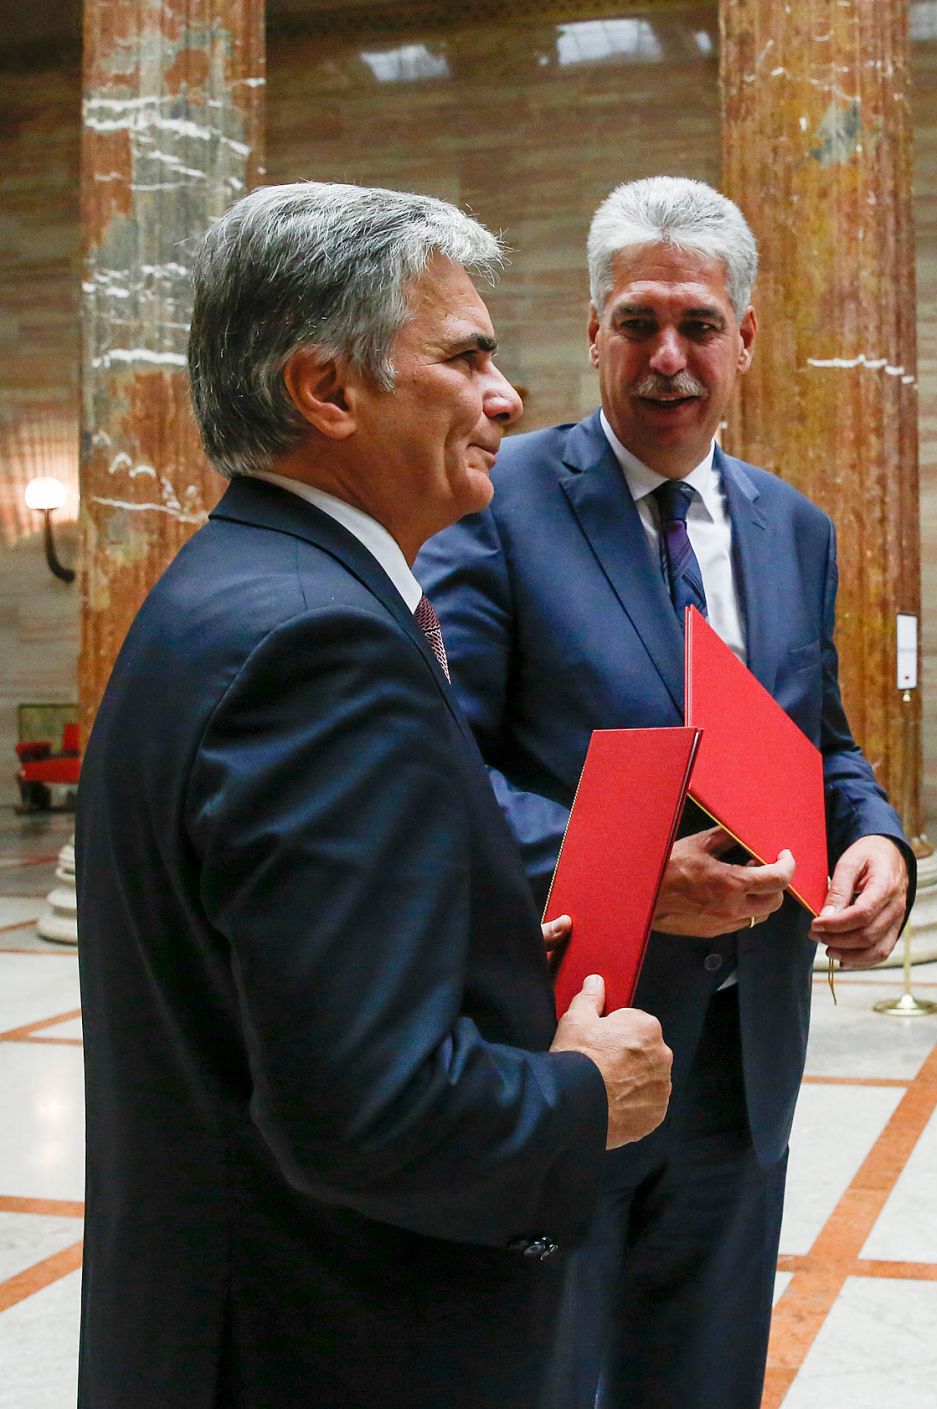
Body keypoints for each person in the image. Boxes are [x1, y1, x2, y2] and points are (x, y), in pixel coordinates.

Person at [75, 182, 675, 1409]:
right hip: (336, 1340)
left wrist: (481, 950)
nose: (506, 396)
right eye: (465, 356)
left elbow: (270, 978)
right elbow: (366, 1110)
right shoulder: (322, 646)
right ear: (326, 390)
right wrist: (581, 1094)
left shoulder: (234, 586)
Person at [416, 174, 914, 1409]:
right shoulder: (497, 503)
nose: (668, 356)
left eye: (698, 324)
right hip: (567, 1038)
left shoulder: (794, 527)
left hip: (745, 1057)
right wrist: (632, 876)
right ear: (593, 331)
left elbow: (822, 740)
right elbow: (440, 766)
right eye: (638, 322)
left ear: (746, 337)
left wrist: (876, 840)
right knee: (543, 1371)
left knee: (703, 1375)